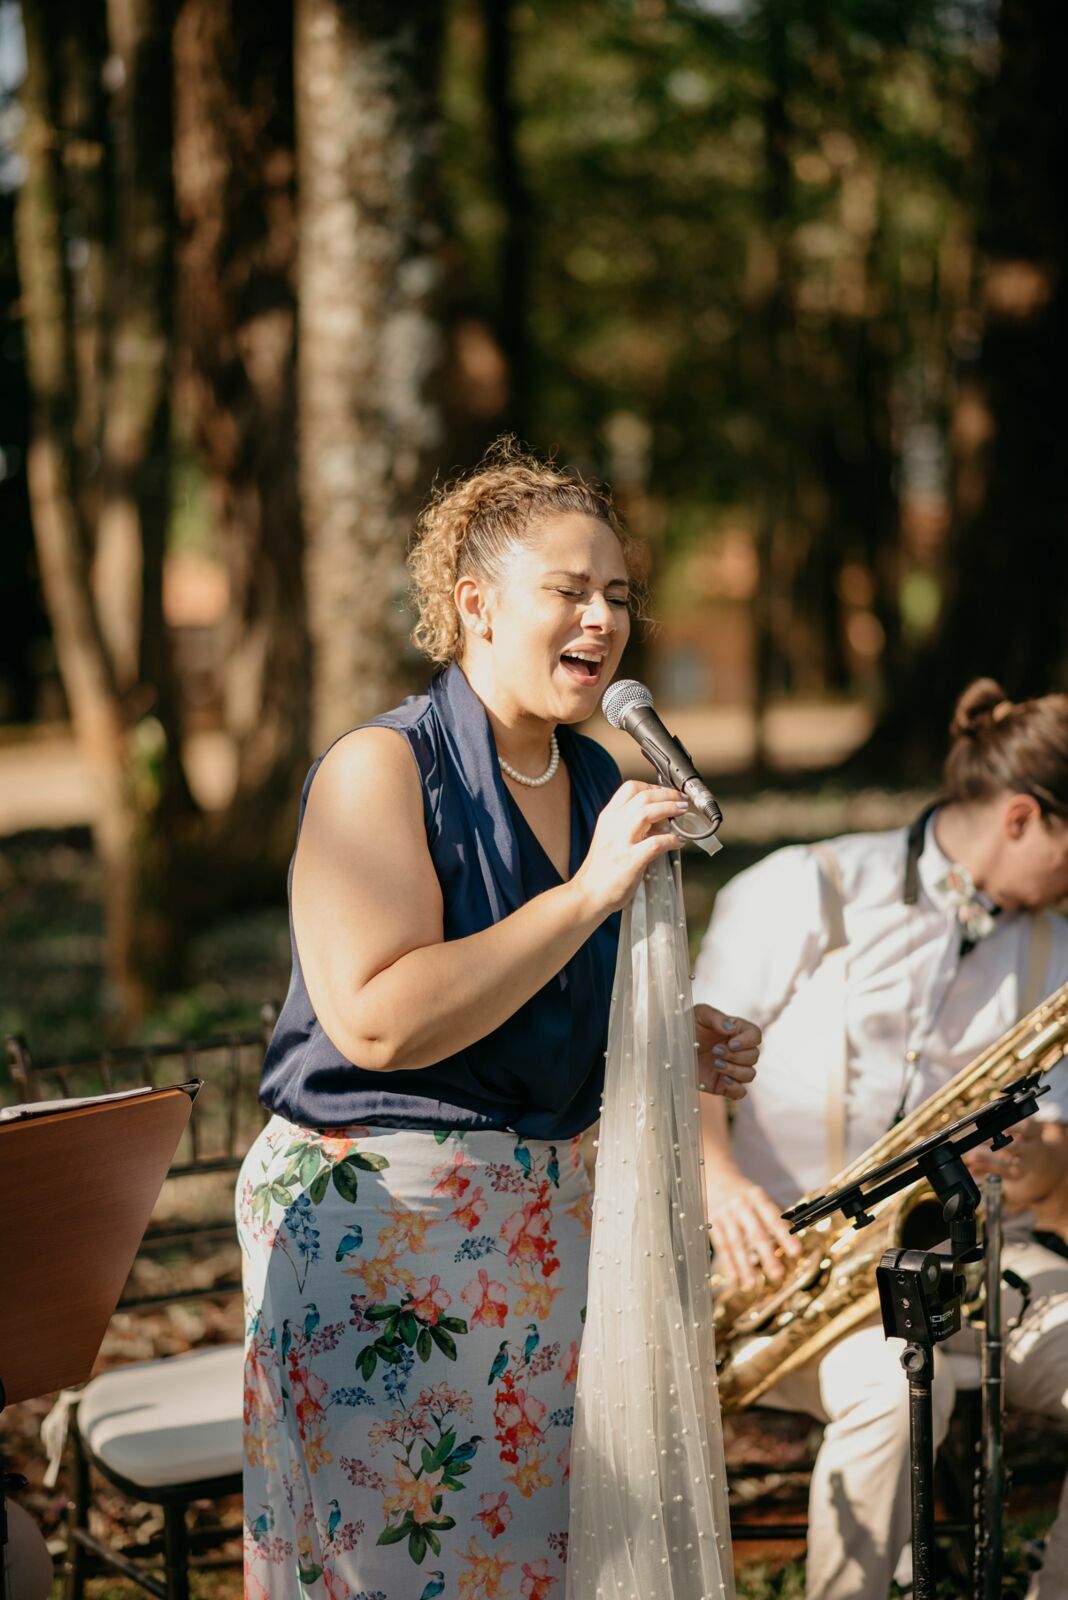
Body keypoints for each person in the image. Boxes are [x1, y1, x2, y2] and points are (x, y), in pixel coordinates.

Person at [238, 442, 761, 1598]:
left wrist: (674, 1041)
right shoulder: (381, 769)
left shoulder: (591, 781)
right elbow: (377, 1022)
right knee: (401, 1572)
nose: (602, 617)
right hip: (380, 1236)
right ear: (474, 604)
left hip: (543, 1239)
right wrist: (583, 896)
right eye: (568, 589)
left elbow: (537, 999)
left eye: (618, 594)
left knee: (541, 1568)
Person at [693, 678, 1068, 1600]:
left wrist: (1039, 1164)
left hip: (981, 1262)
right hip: (789, 1267)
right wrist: (722, 1181)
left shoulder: (1058, 947)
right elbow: (682, 1061)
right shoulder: (805, 890)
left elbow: (1059, 1167)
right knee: (893, 1390)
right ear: (1023, 817)